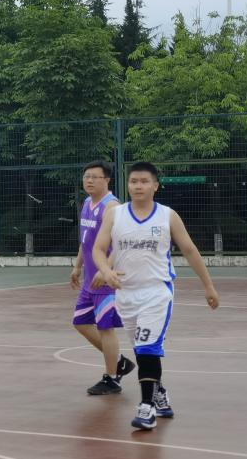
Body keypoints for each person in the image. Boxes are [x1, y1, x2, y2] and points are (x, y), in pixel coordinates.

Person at [91, 161, 220, 431]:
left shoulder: (167, 216)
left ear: (155, 186)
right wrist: (106, 270)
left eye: (144, 181)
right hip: (125, 294)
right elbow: (99, 249)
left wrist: (208, 286)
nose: (138, 186)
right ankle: (158, 391)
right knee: (141, 351)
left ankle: (146, 408)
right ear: (127, 185)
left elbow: (190, 250)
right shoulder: (115, 215)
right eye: (133, 181)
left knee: (148, 348)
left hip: (156, 292)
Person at [70, 161, 135, 395]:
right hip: (90, 280)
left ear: (106, 180)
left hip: (106, 281)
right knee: (80, 323)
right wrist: (77, 266)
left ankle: (112, 378)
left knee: (105, 328)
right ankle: (119, 362)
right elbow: (86, 240)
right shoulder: (87, 203)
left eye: (94, 177)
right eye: (86, 176)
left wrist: (105, 268)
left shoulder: (112, 207)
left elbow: (121, 244)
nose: (88, 180)